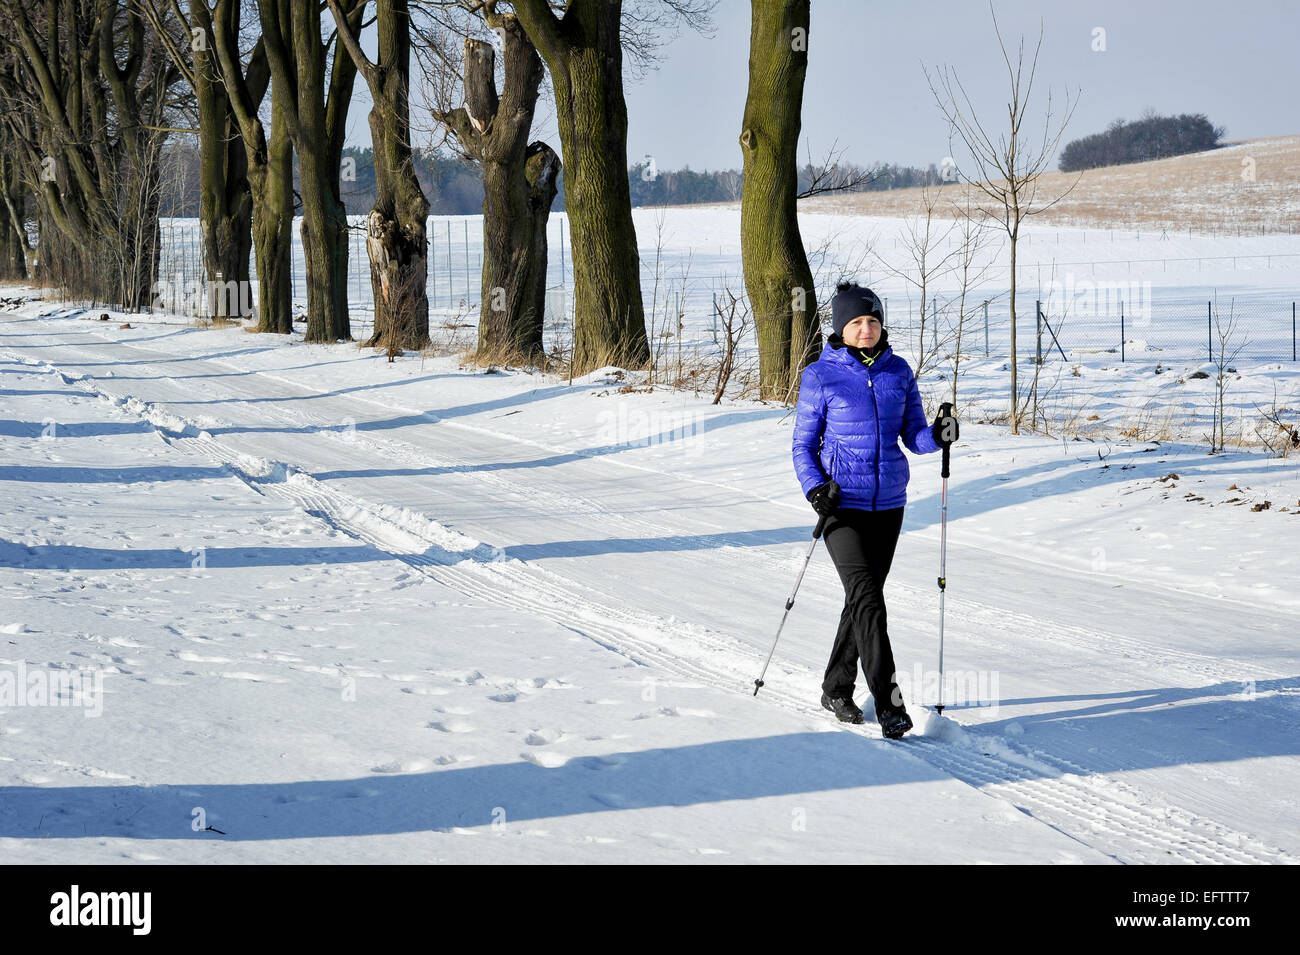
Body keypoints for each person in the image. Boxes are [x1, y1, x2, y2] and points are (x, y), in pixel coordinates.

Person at [791, 281, 959, 739]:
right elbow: (803, 446)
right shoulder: (820, 376)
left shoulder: (898, 372)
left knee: (860, 601)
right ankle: (890, 703)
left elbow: (913, 436)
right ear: (840, 328)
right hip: (840, 505)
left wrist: (938, 435)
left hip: (888, 504)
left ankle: (836, 688)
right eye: (856, 322)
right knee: (869, 600)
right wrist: (814, 490)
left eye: (873, 320)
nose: (866, 329)